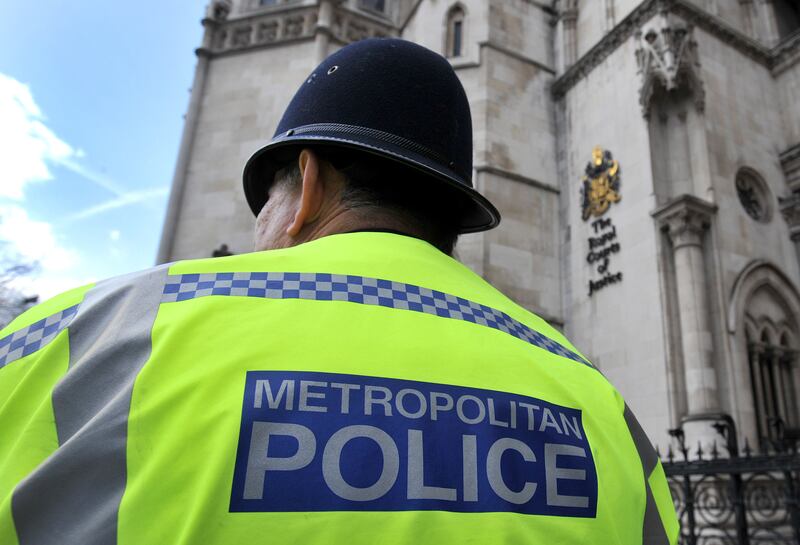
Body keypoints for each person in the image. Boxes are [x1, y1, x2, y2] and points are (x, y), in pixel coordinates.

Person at [0, 39, 678, 545]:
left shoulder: (82, 344)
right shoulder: (602, 409)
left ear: (307, 185)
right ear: (450, 219)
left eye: (264, 203)